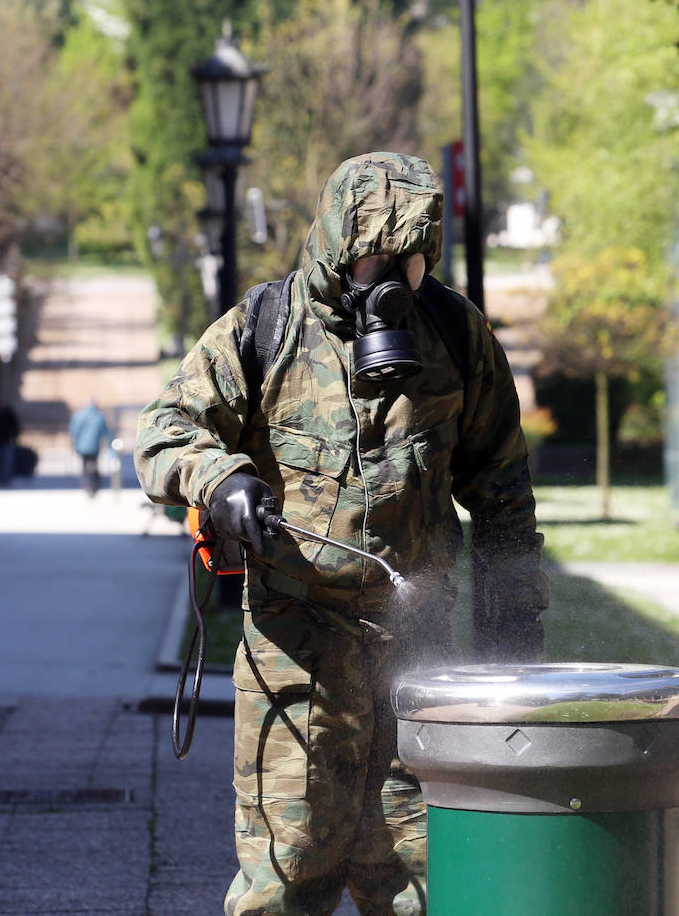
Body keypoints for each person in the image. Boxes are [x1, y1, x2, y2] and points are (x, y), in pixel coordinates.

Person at [134, 152, 547, 915]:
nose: (393, 277)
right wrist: (220, 480)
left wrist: (513, 634)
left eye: (410, 260)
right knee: (285, 885)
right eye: (374, 259)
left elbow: (505, 498)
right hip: (296, 659)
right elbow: (164, 431)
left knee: (427, 887)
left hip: (418, 664)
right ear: (334, 247)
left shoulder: (456, 338)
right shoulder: (263, 330)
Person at [69, 399, 112, 497]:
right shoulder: (99, 416)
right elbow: (105, 432)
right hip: (94, 446)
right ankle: (94, 486)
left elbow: (74, 430)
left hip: (82, 446)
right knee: (94, 465)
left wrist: (74, 443)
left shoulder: (79, 415)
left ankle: (87, 486)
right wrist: (108, 444)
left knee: (85, 466)